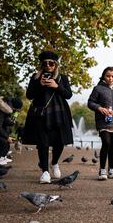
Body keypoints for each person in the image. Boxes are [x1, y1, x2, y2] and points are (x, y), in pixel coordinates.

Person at [22, 50, 74, 184]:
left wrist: (56, 86)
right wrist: (40, 85)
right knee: (42, 143)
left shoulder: (62, 78)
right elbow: (29, 95)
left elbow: (68, 95)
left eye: (51, 63)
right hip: (40, 113)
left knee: (60, 142)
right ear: (41, 64)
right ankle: (45, 172)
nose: (48, 66)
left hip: (59, 113)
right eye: (45, 63)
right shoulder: (35, 77)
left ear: (56, 65)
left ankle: (54, 163)